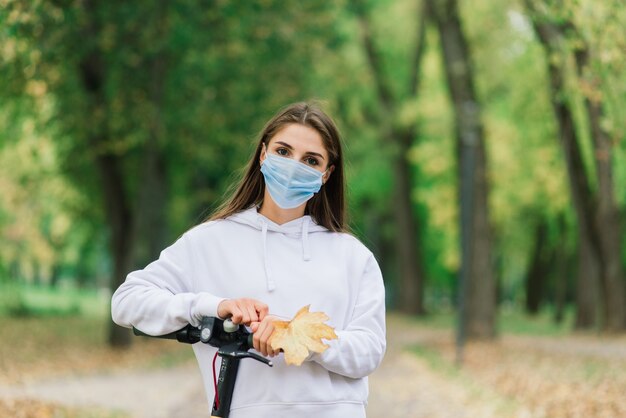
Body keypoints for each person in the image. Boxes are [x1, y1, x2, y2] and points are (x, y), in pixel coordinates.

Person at [111, 102, 386, 417]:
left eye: (311, 160)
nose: (294, 165)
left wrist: (304, 340)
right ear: (263, 154)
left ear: (326, 175)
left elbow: (370, 350)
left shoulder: (353, 256)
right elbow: (126, 302)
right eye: (284, 152)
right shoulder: (209, 241)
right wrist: (213, 306)